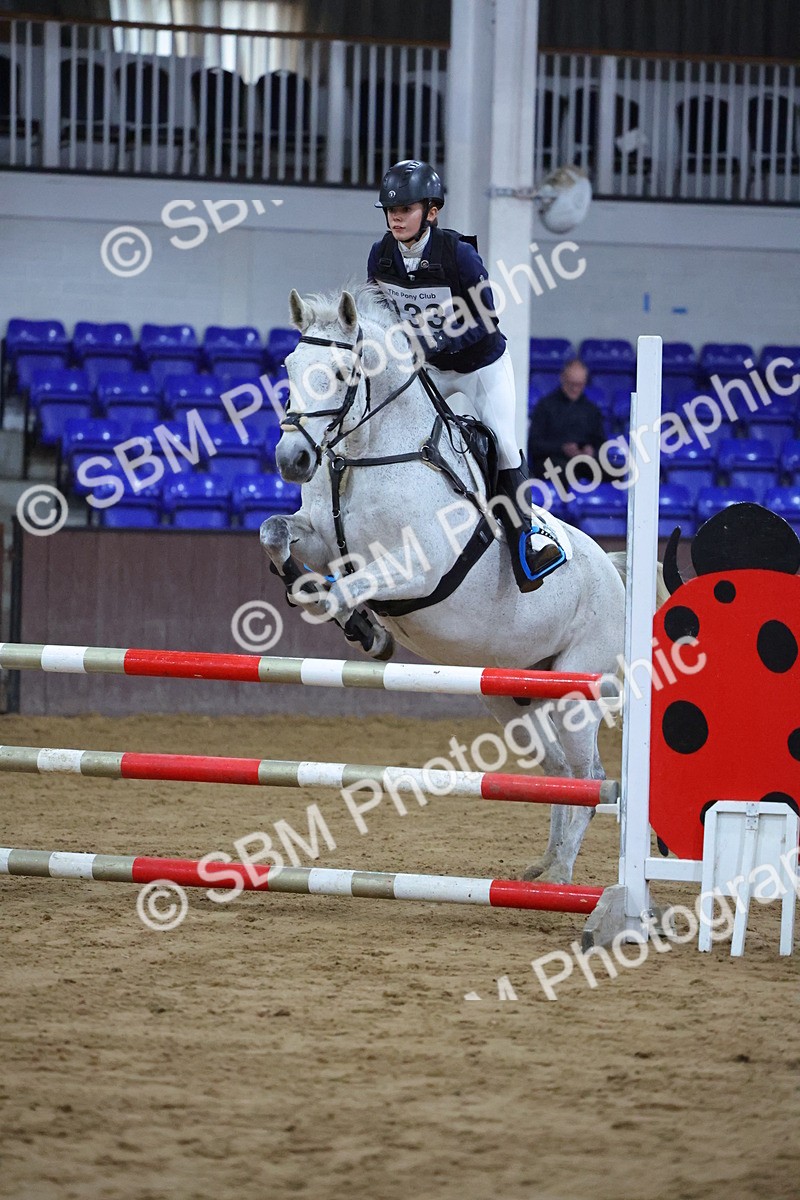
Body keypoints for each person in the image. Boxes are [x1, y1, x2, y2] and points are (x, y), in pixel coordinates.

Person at [367, 158, 565, 592]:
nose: (396, 217)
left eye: (406, 209)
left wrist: (437, 340)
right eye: (391, 210)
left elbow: (486, 319)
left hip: (480, 365)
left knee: (504, 443)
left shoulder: (459, 255)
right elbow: (380, 313)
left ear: (432, 212)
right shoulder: (381, 256)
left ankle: (527, 540)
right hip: (431, 368)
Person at [528, 358, 607, 484]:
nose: (575, 389)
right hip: (552, 460)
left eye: (579, 385)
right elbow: (534, 444)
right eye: (571, 384)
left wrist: (591, 451)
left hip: (583, 462)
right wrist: (562, 448)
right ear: (562, 379)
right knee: (564, 471)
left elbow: (601, 443)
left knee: (615, 470)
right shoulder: (545, 406)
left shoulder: (591, 409)